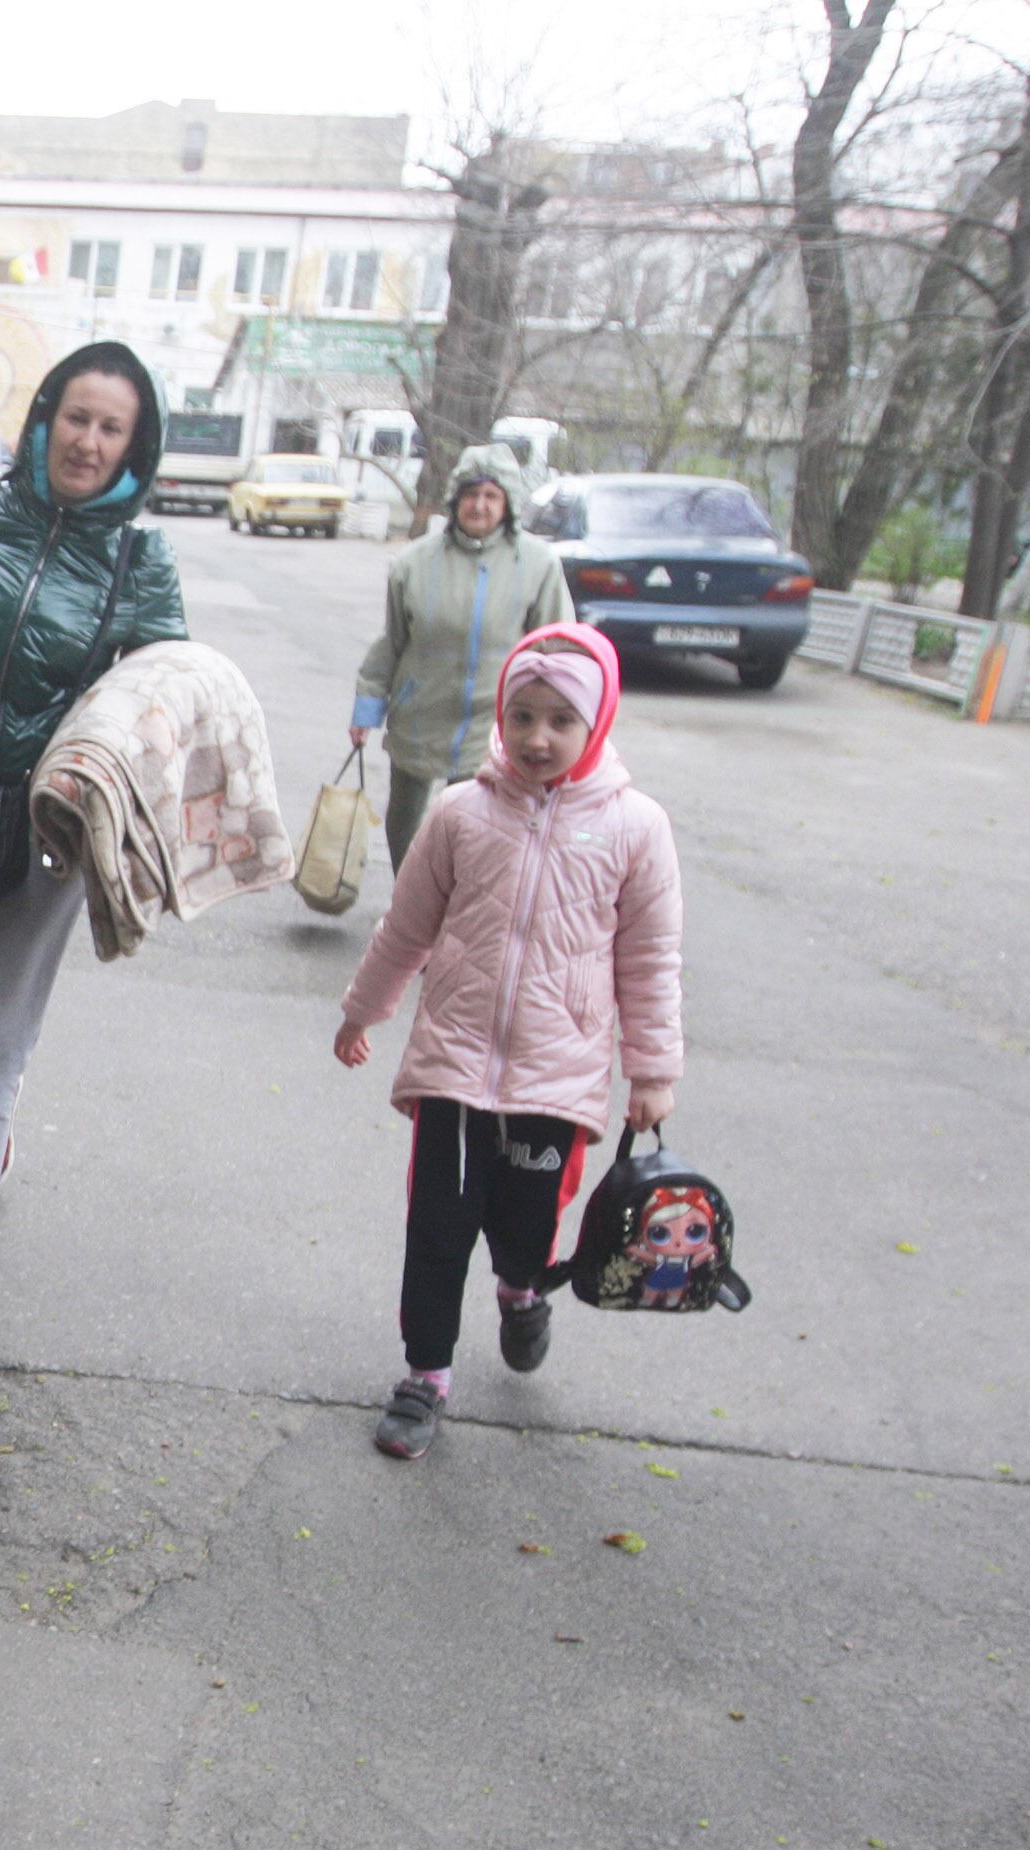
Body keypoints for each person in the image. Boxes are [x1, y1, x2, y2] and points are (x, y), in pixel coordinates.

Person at [332, 623, 683, 1461]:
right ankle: (426, 1375)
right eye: (521, 715)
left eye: (560, 721)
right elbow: (406, 926)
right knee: (438, 1231)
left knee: (527, 1229)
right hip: (453, 1067)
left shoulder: (636, 828)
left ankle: (523, 1291)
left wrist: (652, 1071)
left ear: (595, 725)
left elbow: (651, 957)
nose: (535, 737)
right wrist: (363, 1010)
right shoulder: (461, 812)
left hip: (554, 1079)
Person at [0, 342, 186, 1320]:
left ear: (134, 447)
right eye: (77, 417)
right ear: (44, 416)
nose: (88, 442)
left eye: (112, 428)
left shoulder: (141, 562)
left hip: (46, 836)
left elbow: (160, 697)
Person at [349, 443, 571, 869]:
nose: (480, 506)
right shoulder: (414, 563)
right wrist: (366, 710)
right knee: (406, 825)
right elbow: (392, 641)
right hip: (421, 711)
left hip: (494, 722)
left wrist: (560, 724)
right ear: (455, 500)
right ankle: (410, 905)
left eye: (491, 496)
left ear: (507, 504)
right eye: (471, 495)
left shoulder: (539, 565)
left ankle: (461, 913)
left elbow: (557, 649)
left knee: (478, 827)